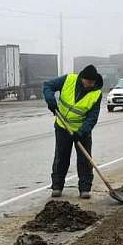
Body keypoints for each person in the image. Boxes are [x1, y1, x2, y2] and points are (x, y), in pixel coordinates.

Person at [43, 65, 104, 199]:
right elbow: (47, 86)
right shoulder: (68, 79)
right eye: (87, 82)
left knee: (85, 159)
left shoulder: (96, 93)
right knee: (61, 157)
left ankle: (85, 188)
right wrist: (51, 101)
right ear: (82, 78)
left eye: (92, 83)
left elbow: (92, 117)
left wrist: (81, 132)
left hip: (82, 131)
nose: (89, 85)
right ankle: (57, 186)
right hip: (62, 127)